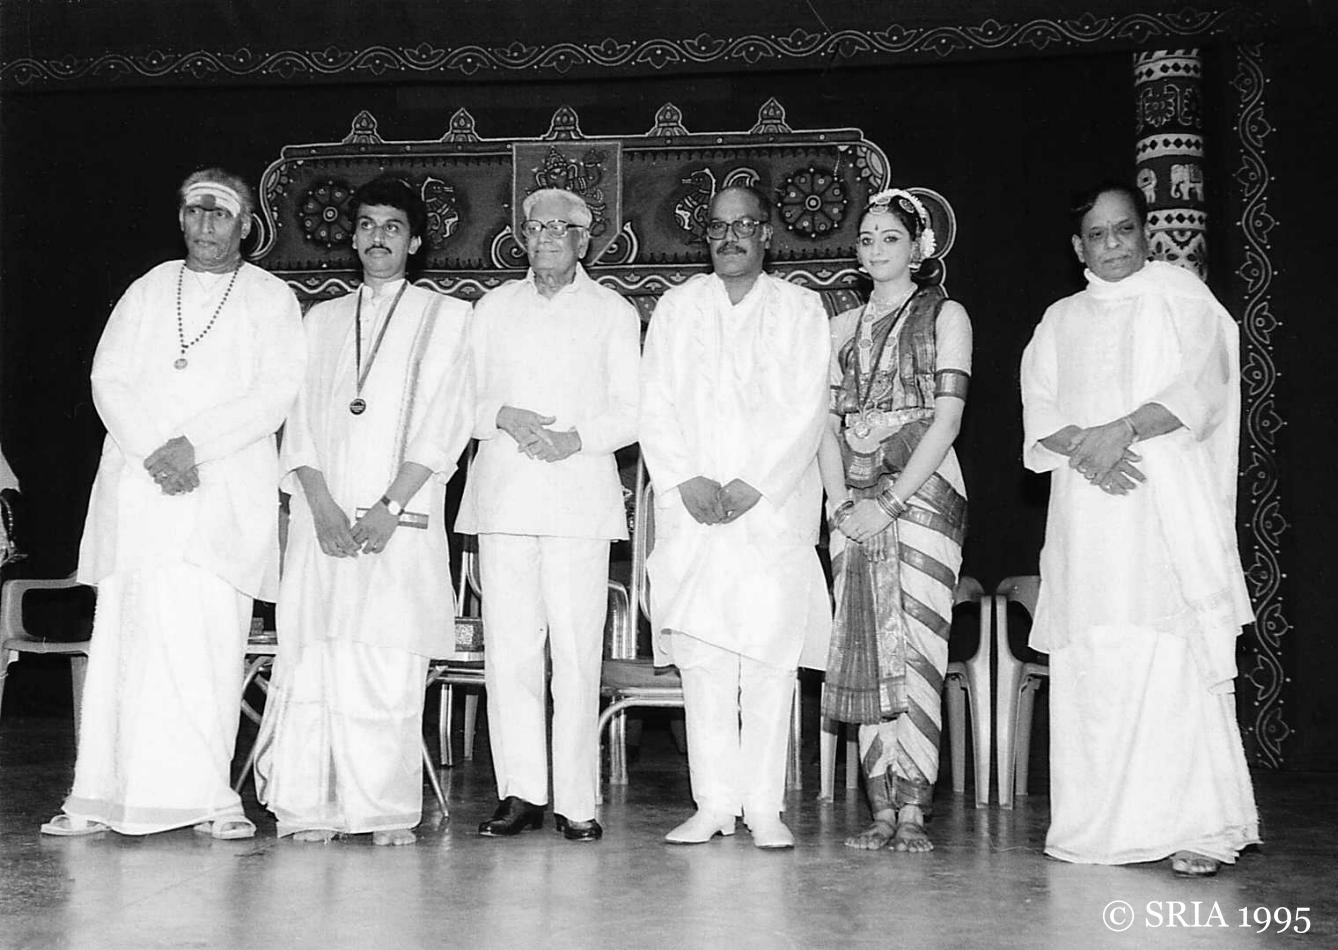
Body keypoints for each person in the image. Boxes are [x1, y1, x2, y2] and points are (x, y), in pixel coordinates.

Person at [42, 168, 305, 838]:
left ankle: (210, 801)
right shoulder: (149, 288)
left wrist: (194, 448)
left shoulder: (270, 298)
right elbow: (109, 379)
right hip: (143, 491)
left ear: (246, 225)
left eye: (221, 213)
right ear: (181, 218)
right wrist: (156, 452)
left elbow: (276, 392)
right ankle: (97, 798)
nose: (206, 224)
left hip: (222, 493)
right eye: (195, 211)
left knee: (209, 647)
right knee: (126, 646)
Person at [1020, 181, 1259, 876]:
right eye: (1098, 235)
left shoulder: (1182, 298)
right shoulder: (1059, 319)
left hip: (1163, 508)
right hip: (1088, 511)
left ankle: (1198, 828)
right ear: (1079, 247)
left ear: (1144, 231)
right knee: (1097, 652)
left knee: (1170, 653)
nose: (1114, 245)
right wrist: (1089, 449)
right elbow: (1039, 409)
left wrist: (1121, 430)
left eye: (1124, 229)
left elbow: (1202, 391)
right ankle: (1101, 829)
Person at [252, 176, 474, 846]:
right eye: (368, 224)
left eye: (393, 226)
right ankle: (310, 807)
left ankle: (381, 811)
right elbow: (298, 422)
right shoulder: (319, 320)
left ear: (416, 241)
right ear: (352, 237)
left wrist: (389, 505)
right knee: (315, 656)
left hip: (397, 521)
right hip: (322, 521)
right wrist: (319, 505)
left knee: (384, 660)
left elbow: (446, 424)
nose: (379, 237)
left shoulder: (448, 318)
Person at [640, 185, 831, 849]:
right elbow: (654, 400)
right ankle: (714, 804)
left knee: (769, 661)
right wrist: (684, 477)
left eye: (743, 225)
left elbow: (807, 408)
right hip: (693, 510)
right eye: (718, 227)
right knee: (704, 661)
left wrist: (757, 483)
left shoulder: (801, 309)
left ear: (767, 234)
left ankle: (765, 808)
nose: (730, 238)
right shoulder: (677, 307)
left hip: (770, 511)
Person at [459, 187, 639, 842]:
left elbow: (633, 410)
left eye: (562, 228)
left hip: (577, 500)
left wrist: (577, 439)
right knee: (509, 653)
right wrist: (501, 415)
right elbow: (461, 402)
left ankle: (578, 802)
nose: (548, 238)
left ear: (585, 240)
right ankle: (521, 793)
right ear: (522, 237)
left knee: (576, 654)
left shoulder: (613, 312)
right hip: (504, 498)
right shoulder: (492, 308)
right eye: (537, 228)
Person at [816, 189, 971, 853]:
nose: (876, 249)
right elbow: (823, 427)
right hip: (852, 503)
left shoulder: (946, 315)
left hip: (923, 495)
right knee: (864, 644)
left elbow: (948, 419)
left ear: (919, 248)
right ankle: (880, 808)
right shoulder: (840, 329)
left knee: (917, 650)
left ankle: (914, 809)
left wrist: (891, 502)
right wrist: (841, 506)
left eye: (890, 238)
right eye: (867, 238)